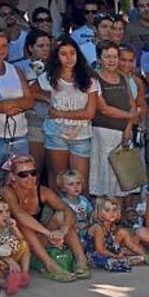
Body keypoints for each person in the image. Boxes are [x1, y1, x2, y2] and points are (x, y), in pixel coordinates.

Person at [1, 155, 90, 282]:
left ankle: (81, 260)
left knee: (62, 215)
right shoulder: (7, 191)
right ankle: (50, 265)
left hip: (38, 240)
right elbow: (19, 214)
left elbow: (67, 209)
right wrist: (48, 233)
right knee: (21, 222)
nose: (30, 178)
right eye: (23, 175)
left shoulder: (42, 191)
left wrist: (62, 231)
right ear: (13, 178)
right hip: (14, 244)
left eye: (33, 173)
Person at [35, 35, 98, 191]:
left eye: (72, 53)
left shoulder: (89, 79)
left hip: (81, 134)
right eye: (63, 54)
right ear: (57, 57)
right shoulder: (49, 77)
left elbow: (89, 113)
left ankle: (80, 213)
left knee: (80, 182)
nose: (69, 58)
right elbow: (30, 92)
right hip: (55, 133)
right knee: (58, 178)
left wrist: (59, 113)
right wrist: (48, 101)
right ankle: (58, 212)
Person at [90, 41, 137, 200]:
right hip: (103, 133)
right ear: (99, 58)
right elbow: (103, 108)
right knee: (104, 173)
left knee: (122, 176)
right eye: (107, 56)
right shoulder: (94, 78)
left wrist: (129, 127)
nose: (112, 60)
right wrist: (129, 116)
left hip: (123, 133)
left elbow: (132, 103)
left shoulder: (123, 77)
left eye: (115, 56)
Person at [0, 29, 33, 169]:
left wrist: (7, 105)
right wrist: (4, 108)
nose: (0, 49)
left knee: (18, 181)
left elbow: (29, 101)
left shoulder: (15, 70)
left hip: (18, 136)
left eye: (4, 45)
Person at [87, 196, 149, 271]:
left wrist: (143, 254)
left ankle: (144, 255)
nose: (112, 213)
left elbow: (121, 242)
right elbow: (100, 250)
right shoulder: (98, 228)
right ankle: (124, 259)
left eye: (114, 210)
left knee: (123, 233)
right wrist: (116, 256)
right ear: (99, 212)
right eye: (107, 210)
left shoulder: (112, 226)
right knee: (114, 261)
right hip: (95, 254)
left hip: (108, 249)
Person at [15, 30, 50, 174]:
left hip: (56, 123)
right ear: (30, 48)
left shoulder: (57, 66)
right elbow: (23, 94)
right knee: (34, 171)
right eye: (40, 46)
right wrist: (44, 96)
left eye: (48, 45)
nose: (45, 49)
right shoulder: (19, 67)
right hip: (33, 124)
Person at [0, 194, 32, 295]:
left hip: (12, 255)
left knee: (25, 246)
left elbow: (21, 239)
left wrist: (15, 228)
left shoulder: (8, 225)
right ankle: (8, 286)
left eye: (7, 211)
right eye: (0, 212)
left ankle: (24, 274)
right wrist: (9, 260)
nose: (5, 215)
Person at [57, 169, 93, 245]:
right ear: (63, 188)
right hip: (72, 231)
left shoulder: (84, 200)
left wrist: (89, 223)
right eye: (71, 184)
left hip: (86, 229)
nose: (76, 187)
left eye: (78, 183)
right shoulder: (62, 202)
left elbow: (91, 214)